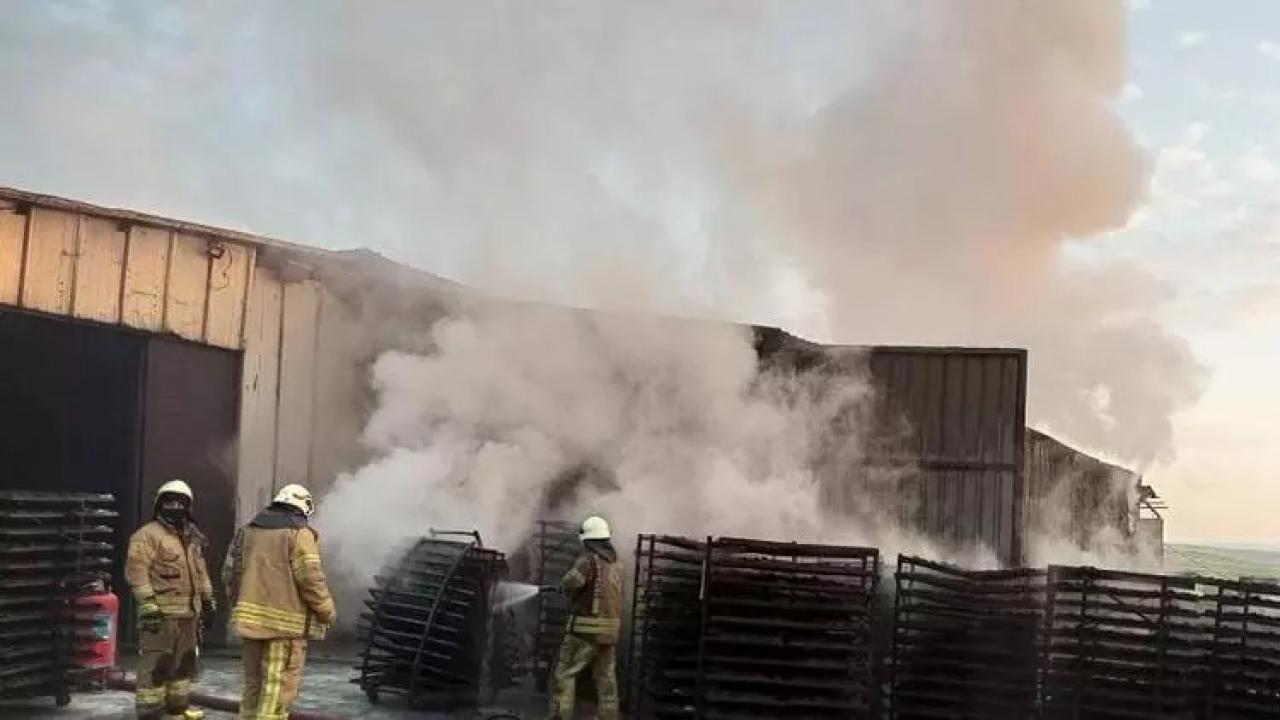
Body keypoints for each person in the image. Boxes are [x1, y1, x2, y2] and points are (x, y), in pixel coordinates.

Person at [223, 484, 336, 720]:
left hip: (250, 625)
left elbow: (230, 573)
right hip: (284, 630)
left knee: (253, 684)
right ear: (303, 507)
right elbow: (311, 578)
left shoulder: (247, 532)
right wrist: (326, 611)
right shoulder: (299, 534)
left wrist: (239, 604)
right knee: (277, 687)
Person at [124, 480, 215, 720]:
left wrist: (207, 600)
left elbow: (200, 572)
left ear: (188, 507)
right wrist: (148, 604)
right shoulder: (147, 536)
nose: (175, 507)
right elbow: (136, 571)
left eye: (180, 503)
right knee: (156, 665)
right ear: (159, 505)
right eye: (169, 502)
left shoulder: (191, 537)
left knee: (183, 664)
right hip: (161, 615)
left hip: (189, 614)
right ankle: (150, 714)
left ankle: (177, 711)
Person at [546, 515, 623, 720]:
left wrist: (562, 587)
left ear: (588, 541)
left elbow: (572, 583)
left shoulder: (588, 561)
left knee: (566, 674)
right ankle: (609, 717)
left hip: (585, 632)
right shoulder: (616, 564)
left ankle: (559, 716)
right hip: (610, 632)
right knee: (606, 679)